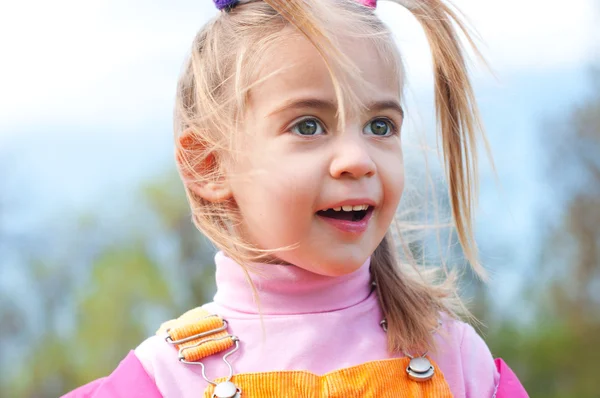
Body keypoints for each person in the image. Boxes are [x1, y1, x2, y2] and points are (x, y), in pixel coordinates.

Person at [63, 0, 528, 396]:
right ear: (210, 164)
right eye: (308, 125)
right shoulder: (163, 381)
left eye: (380, 125)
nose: (357, 159)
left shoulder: (457, 360)